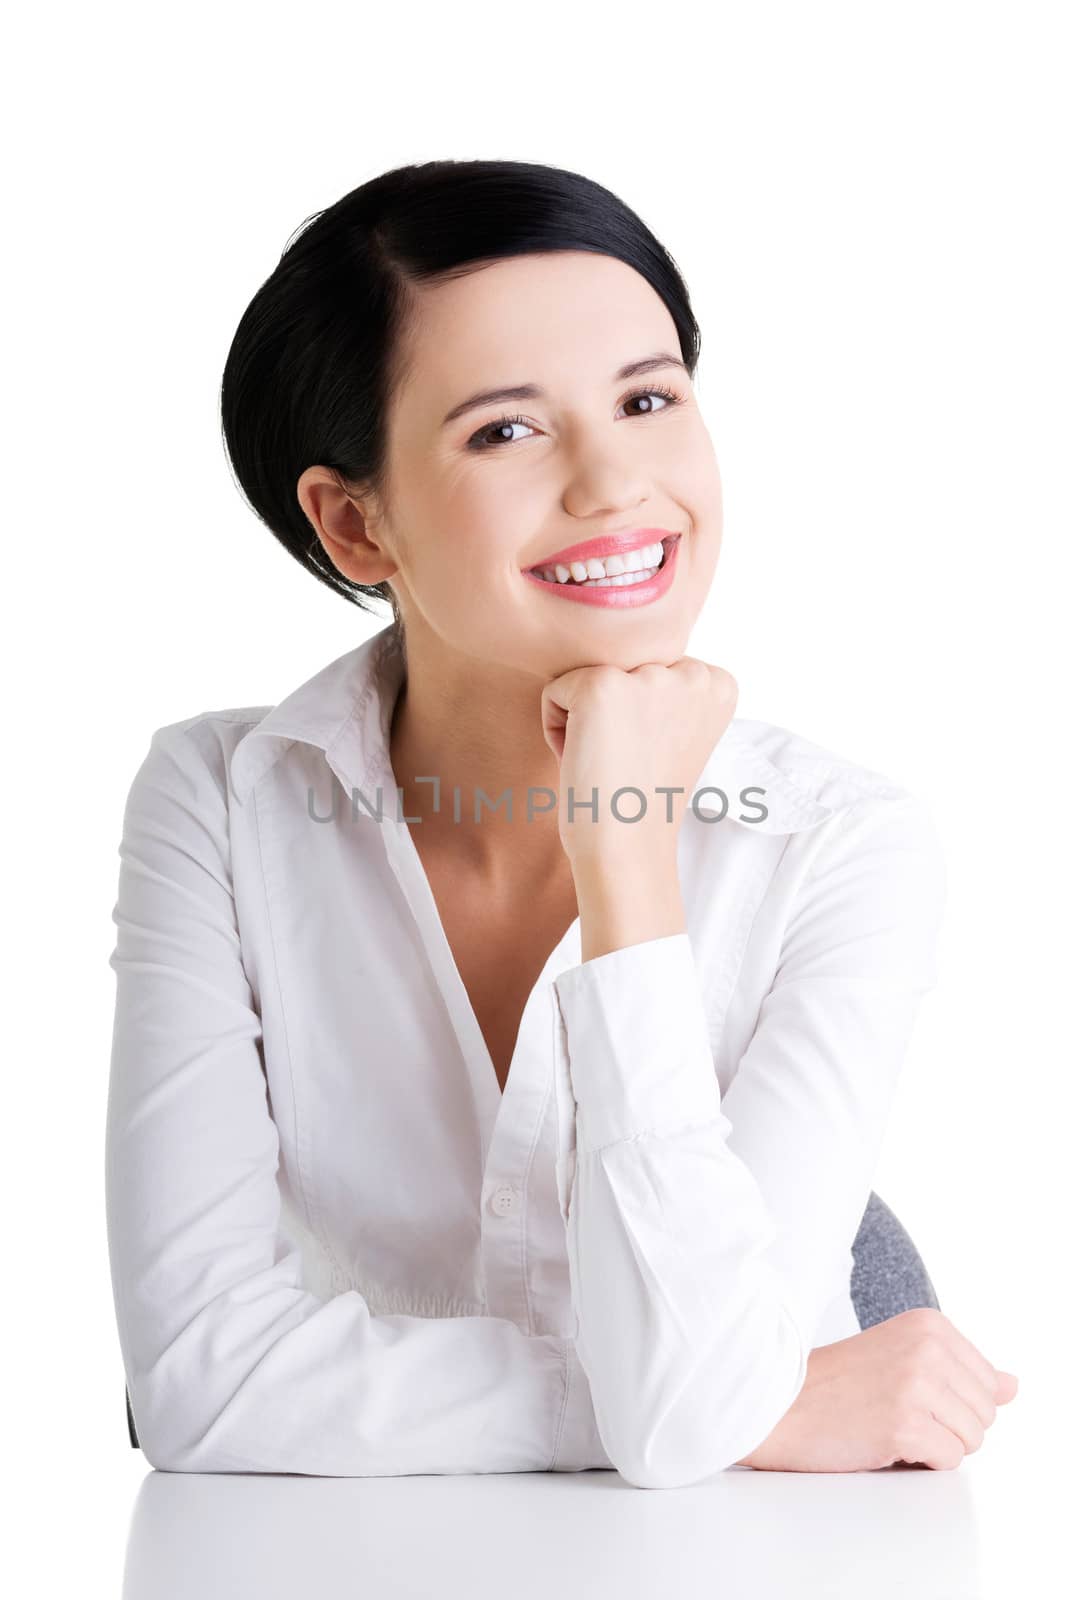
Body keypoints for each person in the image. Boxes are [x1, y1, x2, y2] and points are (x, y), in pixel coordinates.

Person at [105, 159, 1017, 1487]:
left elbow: (244, 1382)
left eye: (648, 399)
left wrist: (627, 849)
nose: (614, 483)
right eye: (506, 431)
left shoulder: (843, 843)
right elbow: (196, 1383)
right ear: (356, 524)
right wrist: (735, 1400)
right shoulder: (222, 802)